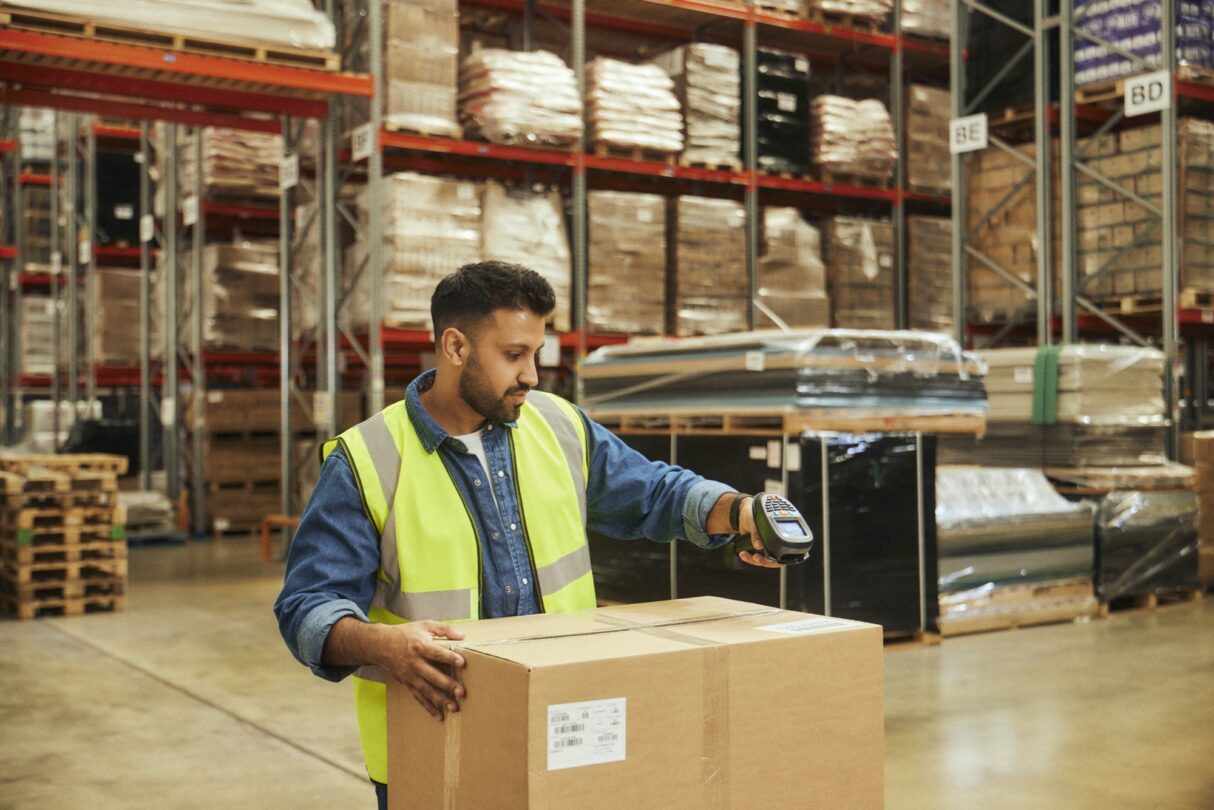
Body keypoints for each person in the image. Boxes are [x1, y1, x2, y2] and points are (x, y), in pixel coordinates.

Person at [274, 260, 779, 809]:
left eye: (536, 354)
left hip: (565, 728)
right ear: (455, 347)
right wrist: (383, 645)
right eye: (514, 355)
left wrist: (738, 511)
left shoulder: (558, 425)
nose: (532, 375)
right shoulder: (366, 460)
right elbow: (306, 608)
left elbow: (655, 491)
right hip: (434, 743)